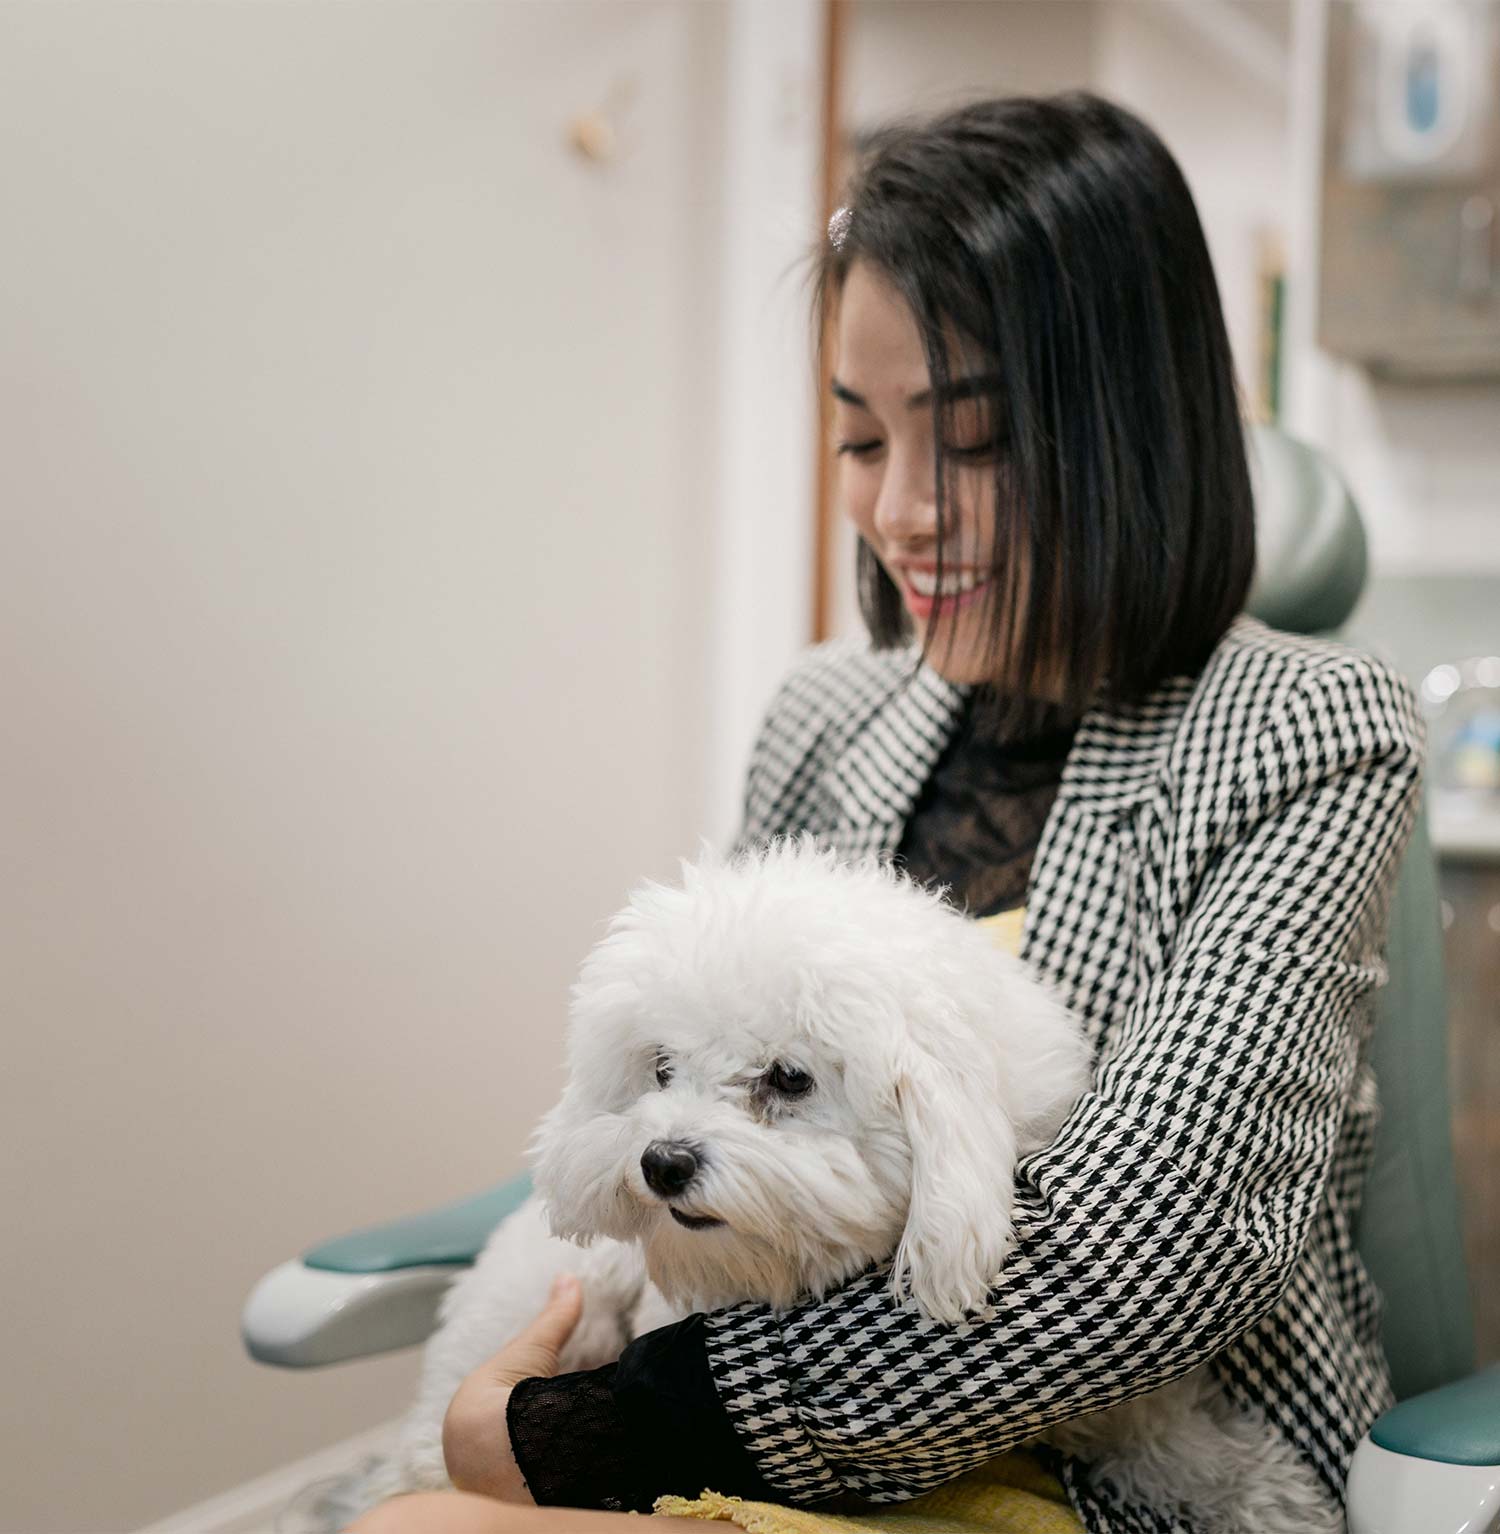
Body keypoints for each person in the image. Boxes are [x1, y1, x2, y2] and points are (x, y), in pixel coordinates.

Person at [348, 91, 1424, 1534]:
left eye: (971, 442)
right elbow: (703, 1103)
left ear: (1130, 431)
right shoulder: (825, 718)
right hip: (781, 1441)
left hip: (1111, 1462)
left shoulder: (1303, 731)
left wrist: (593, 1431)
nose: (902, 510)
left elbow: (1143, 1253)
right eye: (862, 443)